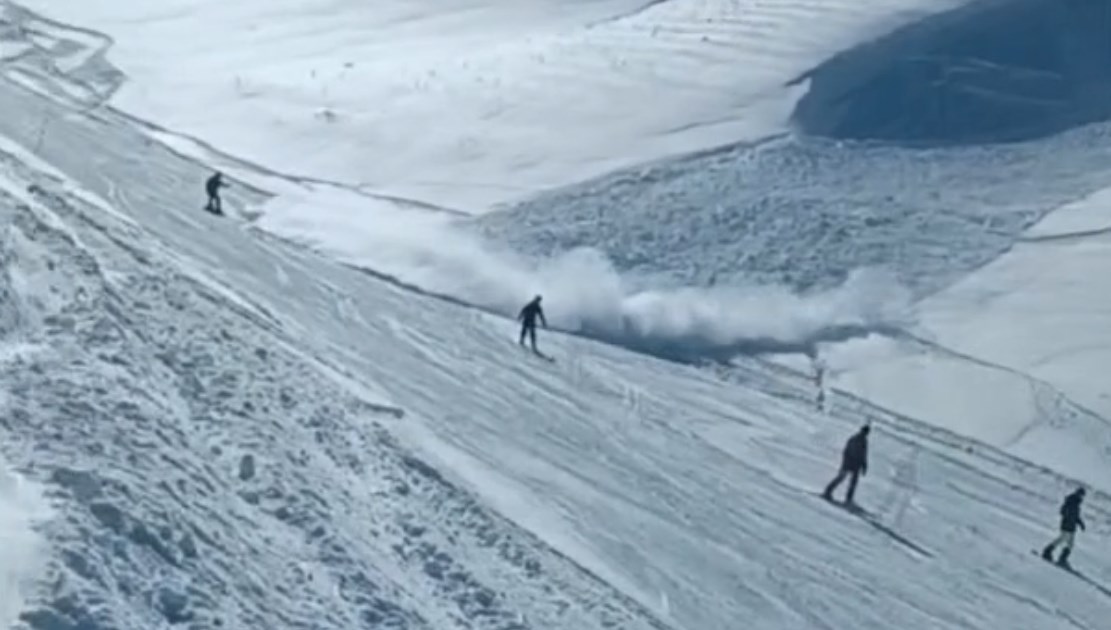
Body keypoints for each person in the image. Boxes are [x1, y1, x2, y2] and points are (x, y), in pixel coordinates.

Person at [822, 425, 870, 505]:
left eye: (866, 432)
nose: (864, 434)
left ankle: (849, 499)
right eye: (864, 431)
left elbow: (863, 455)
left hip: (856, 465)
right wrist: (847, 462)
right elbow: (847, 451)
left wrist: (864, 466)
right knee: (841, 478)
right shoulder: (854, 439)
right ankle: (828, 491)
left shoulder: (864, 441)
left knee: (853, 482)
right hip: (849, 463)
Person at [1042, 487, 1086, 569]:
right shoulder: (1070, 501)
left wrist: (1081, 524)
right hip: (1066, 525)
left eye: (1082, 496)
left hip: (1072, 527)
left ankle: (1062, 558)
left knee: (1070, 544)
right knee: (1061, 539)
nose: (1081, 497)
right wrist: (1067, 517)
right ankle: (1047, 551)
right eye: (1081, 495)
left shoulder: (1077, 504)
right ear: (1078, 494)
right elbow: (1062, 511)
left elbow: (1076, 516)